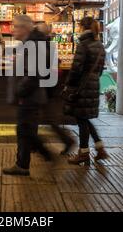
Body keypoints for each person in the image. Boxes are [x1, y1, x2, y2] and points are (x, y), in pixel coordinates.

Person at [3, 15, 54, 176]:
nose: (12, 30)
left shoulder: (34, 45)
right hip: (30, 95)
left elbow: (33, 74)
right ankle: (23, 164)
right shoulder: (31, 43)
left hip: (30, 96)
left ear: (25, 28)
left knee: (26, 130)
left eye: (16, 26)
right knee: (25, 130)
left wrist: (21, 91)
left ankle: (43, 156)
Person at [63, 16, 108, 165]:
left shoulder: (83, 44)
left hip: (82, 86)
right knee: (85, 118)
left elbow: (76, 68)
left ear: (82, 27)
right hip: (93, 84)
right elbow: (101, 69)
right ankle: (100, 148)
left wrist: (69, 85)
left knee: (81, 120)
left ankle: (83, 153)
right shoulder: (100, 45)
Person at [36, 23, 75, 155]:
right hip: (51, 86)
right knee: (44, 117)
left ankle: (66, 141)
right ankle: (36, 146)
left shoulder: (42, 46)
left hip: (46, 87)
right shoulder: (49, 45)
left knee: (48, 118)